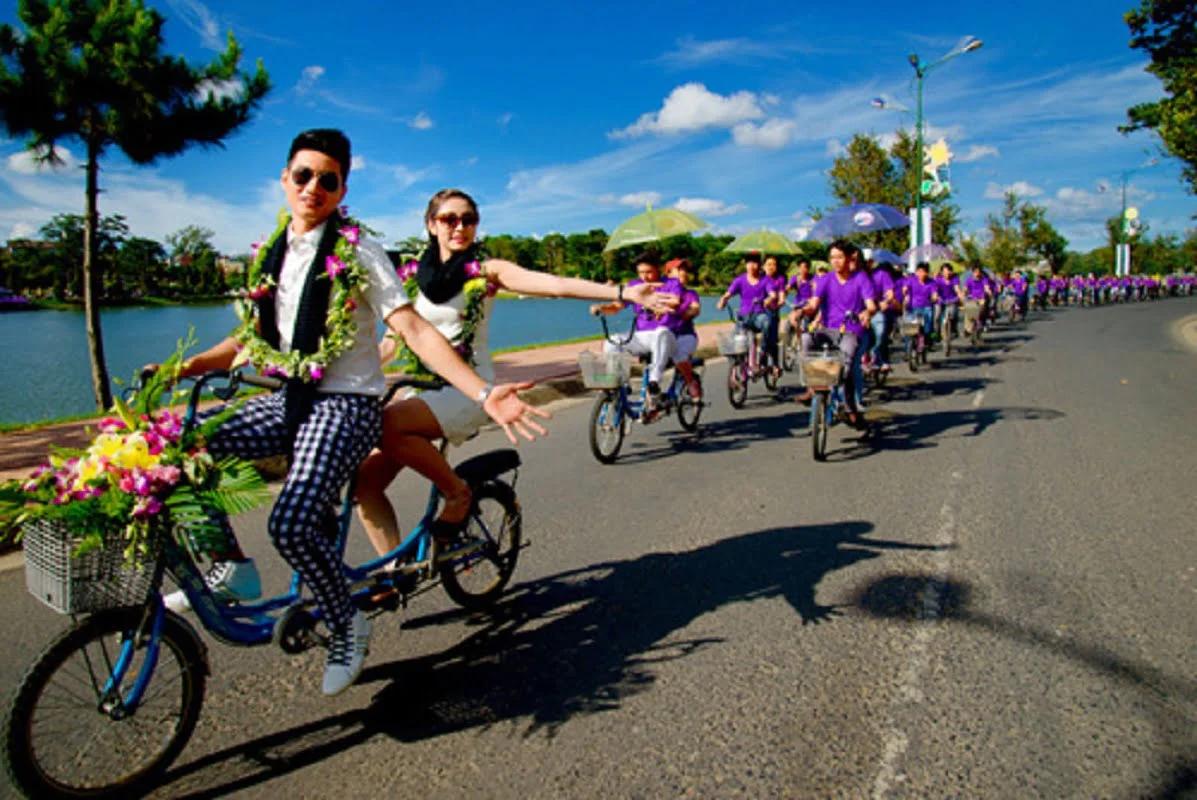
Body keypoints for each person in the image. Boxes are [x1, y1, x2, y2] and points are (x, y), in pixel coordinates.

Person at [155, 130, 548, 697]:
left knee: (289, 522)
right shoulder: (271, 252)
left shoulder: (357, 249)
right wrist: (187, 367)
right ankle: (228, 565)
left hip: (346, 405)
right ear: (285, 180)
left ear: (342, 189)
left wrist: (485, 393)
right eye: (304, 176)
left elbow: (410, 326)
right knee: (179, 443)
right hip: (293, 398)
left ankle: (346, 621)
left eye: (328, 179)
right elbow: (250, 336)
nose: (314, 187)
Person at [358, 190, 677, 564]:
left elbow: (554, 285)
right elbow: (397, 339)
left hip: (471, 389)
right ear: (431, 224)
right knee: (365, 485)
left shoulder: (486, 270)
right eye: (449, 219)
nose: (459, 227)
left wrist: (622, 292)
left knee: (386, 425)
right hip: (421, 388)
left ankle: (457, 494)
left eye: (469, 219)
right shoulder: (412, 277)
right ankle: (392, 570)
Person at [796, 240, 877, 424]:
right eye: (832, 257)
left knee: (846, 368)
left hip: (851, 331)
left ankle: (849, 406)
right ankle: (814, 390)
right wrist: (801, 311)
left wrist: (867, 312)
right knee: (807, 340)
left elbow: (871, 305)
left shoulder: (861, 278)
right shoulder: (825, 279)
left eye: (840, 257)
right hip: (827, 329)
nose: (836, 261)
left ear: (850, 258)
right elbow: (814, 304)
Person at [589, 252, 680, 410]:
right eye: (641, 273)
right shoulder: (634, 286)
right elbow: (617, 307)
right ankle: (619, 383)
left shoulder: (672, 283)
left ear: (658, 269)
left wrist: (657, 301)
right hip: (643, 338)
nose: (645, 277)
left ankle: (654, 384)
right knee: (613, 340)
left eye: (649, 272)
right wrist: (601, 308)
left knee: (661, 332)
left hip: (668, 337)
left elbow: (676, 301)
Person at [716, 252, 776, 373]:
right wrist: (722, 300)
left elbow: (772, 294)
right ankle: (737, 364)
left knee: (767, 323)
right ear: (746, 265)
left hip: (759, 315)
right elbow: (729, 293)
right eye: (749, 262)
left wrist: (769, 299)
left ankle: (764, 351)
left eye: (755, 262)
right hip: (744, 317)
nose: (752, 265)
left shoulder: (765, 280)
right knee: (731, 343)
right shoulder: (740, 280)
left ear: (759, 265)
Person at [660, 257, 703, 398]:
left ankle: (691, 382)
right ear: (669, 274)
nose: (683, 273)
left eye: (685, 270)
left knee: (679, 354)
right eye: (679, 269)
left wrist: (688, 313)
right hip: (665, 336)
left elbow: (696, 308)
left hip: (685, 335)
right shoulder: (662, 293)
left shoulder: (691, 294)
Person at [901, 261, 940, 343]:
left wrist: (935, 297)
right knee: (909, 330)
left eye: (925, 272)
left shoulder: (932, 282)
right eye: (921, 271)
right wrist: (906, 294)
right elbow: (905, 288)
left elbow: (934, 293)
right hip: (913, 307)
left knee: (928, 329)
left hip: (927, 307)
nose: (923, 274)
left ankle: (930, 339)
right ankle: (908, 349)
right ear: (917, 272)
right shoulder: (911, 279)